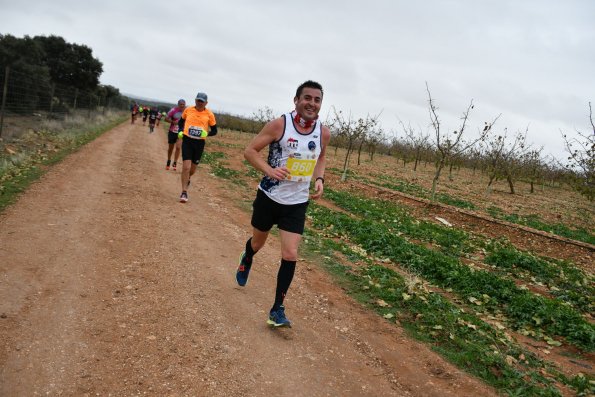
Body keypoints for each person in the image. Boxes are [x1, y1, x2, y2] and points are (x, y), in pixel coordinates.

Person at [235, 80, 330, 327]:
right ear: (296, 100)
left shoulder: (323, 131)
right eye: (307, 98)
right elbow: (250, 151)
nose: (312, 103)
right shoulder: (280, 124)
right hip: (269, 197)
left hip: (297, 202)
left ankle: (277, 309)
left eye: (317, 99)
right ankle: (247, 256)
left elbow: (321, 157)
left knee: (290, 253)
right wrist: (269, 170)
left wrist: (319, 179)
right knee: (258, 242)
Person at [178, 92, 217, 203]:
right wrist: (181, 131)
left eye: (202, 101)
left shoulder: (209, 114)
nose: (199, 103)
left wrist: (206, 134)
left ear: (206, 103)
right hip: (187, 140)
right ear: (195, 100)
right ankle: (184, 192)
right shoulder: (188, 110)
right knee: (186, 167)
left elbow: (215, 131)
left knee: (192, 169)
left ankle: (188, 178)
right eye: (198, 100)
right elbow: (181, 122)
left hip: (199, 143)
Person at [164, 99, 186, 171]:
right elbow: (166, 119)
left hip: (181, 132)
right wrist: (173, 122)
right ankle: (169, 160)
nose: (182, 106)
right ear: (178, 104)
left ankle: (175, 162)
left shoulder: (187, 112)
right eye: (181, 104)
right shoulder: (173, 110)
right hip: (172, 131)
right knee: (171, 148)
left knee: (178, 147)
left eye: (183, 104)